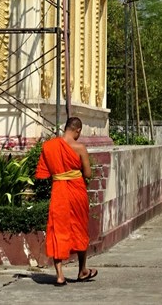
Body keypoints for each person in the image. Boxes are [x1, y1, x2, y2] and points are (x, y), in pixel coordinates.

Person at [35, 117, 97, 286]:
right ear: (77, 130)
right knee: (79, 228)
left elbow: (43, 173)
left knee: (58, 229)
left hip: (59, 191)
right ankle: (82, 270)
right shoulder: (79, 147)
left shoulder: (49, 146)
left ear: (65, 128)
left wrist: (60, 174)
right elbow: (88, 174)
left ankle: (60, 275)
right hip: (76, 191)